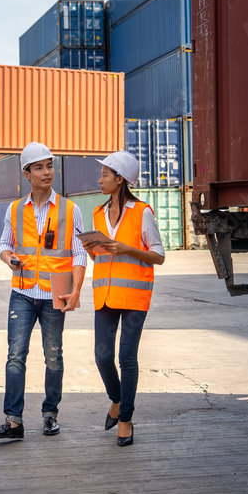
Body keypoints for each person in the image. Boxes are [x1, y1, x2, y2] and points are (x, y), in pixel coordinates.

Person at [0, 142, 87, 440]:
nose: (47, 172)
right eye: (39, 167)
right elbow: (4, 246)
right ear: (27, 173)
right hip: (22, 291)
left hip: (54, 294)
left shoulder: (71, 209)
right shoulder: (16, 208)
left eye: (49, 166)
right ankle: (14, 421)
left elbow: (80, 254)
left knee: (53, 356)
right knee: (15, 356)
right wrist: (9, 259)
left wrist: (75, 291)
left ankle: (50, 415)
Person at [81, 151, 165, 447]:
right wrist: (92, 248)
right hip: (104, 296)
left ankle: (126, 419)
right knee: (102, 356)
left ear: (120, 179)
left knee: (126, 358)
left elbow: (159, 256)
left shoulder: (142, 212)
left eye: (104, 175)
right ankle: (116, 400)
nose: (100, 179)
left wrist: (127, 249)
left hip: (134, 296)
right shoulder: (97, 213)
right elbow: (99, 257)